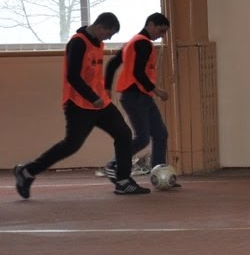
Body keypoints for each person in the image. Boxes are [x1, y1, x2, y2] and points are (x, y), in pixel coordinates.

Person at [13, 12, 149, 198]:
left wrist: (102, 93)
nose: (108, 38)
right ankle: (27, 171)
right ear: (100, 27)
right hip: (78, 104)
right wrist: (92, 97)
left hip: (100, 103)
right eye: (108, 34)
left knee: (123, 133)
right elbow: (73, 76)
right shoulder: (77, 43)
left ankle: (123, 181)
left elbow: (94, 74)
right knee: (71, 145)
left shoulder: (98, 43)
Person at [102, 12, 179, 187]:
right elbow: (138, 73)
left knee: (160, 134)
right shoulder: (142, 43)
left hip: (143, 97)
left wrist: (107, 87)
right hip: (134, 96)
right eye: (161, 30)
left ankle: (159, 173)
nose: (162, 35)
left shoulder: (132, 42)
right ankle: (114, 164)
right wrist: (157, 90)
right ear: (150, 24)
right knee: (143, 138)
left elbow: (112, 64)